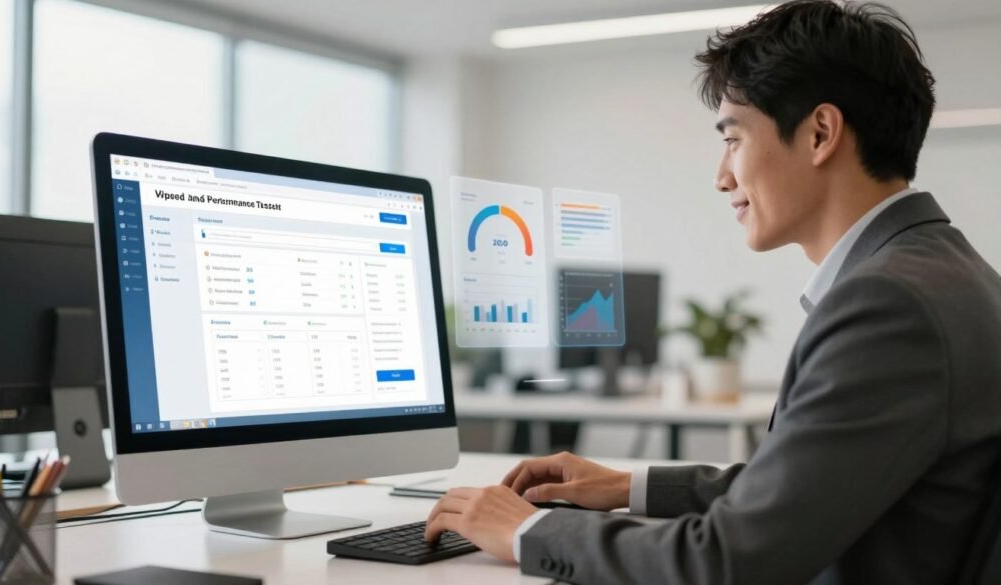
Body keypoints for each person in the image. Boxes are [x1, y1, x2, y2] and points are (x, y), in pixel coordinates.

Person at [423, 1, 1001, 583]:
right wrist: (628, 485)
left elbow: (729, 560)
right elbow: (811, 487)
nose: (722, 176)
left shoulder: (888, 305)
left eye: (733, 140)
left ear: (820, 133)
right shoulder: (946, 272)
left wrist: (527, 532)